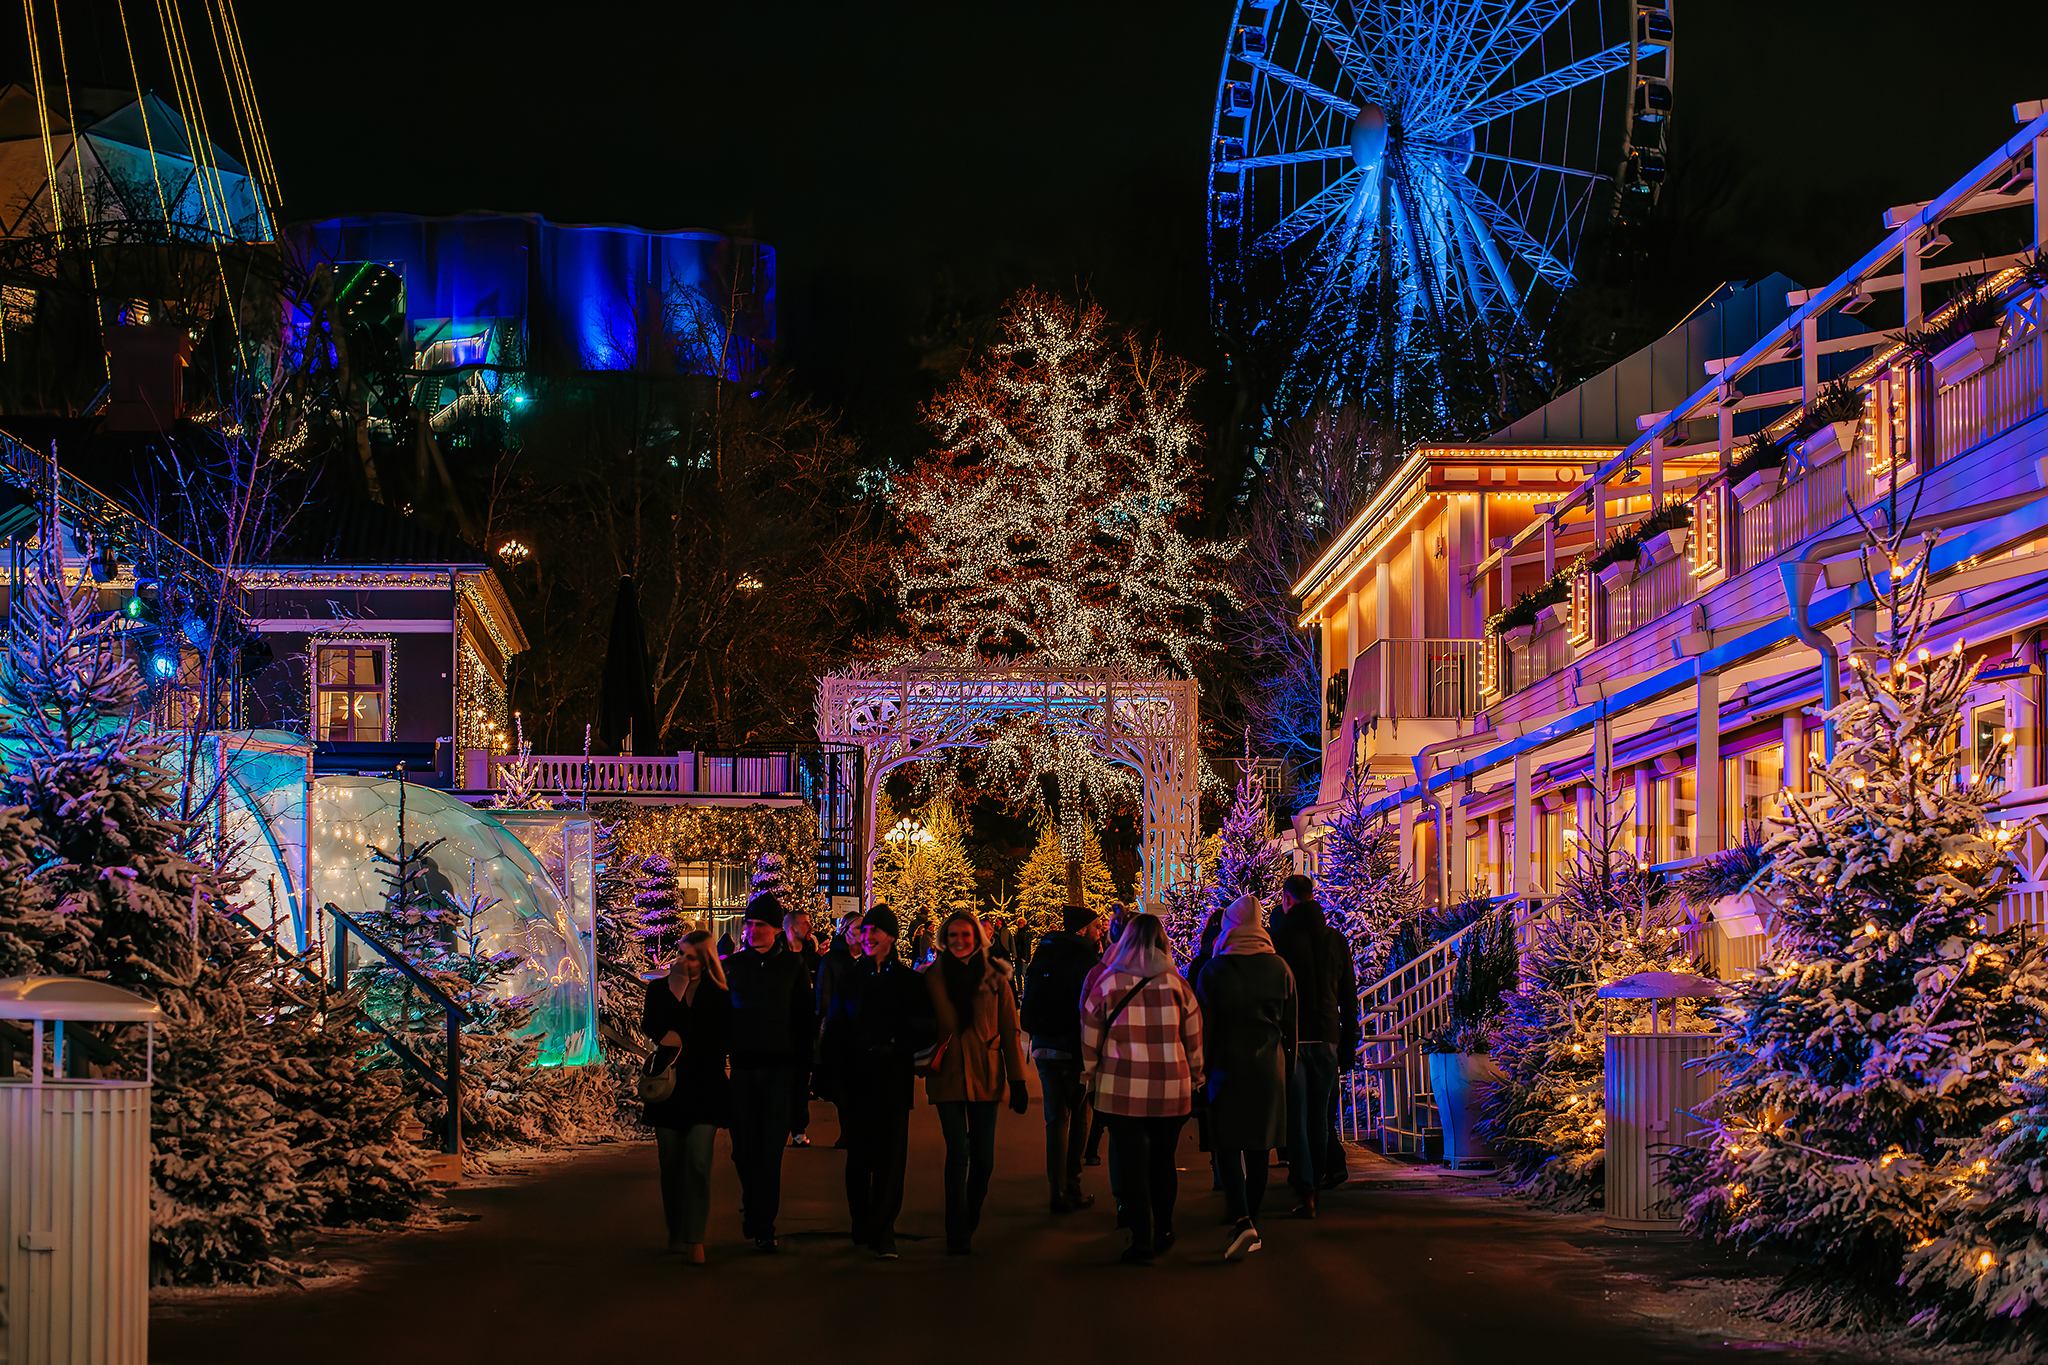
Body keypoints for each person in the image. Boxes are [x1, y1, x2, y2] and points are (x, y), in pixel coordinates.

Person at [1081, 912, 1203, 1266]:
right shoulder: (1178, 985)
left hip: (1122, 1088)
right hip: (1171, 1087)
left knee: (1133, 1164)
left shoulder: (1108, 983)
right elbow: (1193, 1038)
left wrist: (1089, 1074)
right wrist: (1196, 1075)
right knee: (1163, 1160)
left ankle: (1142, 1237)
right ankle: (1164, 1226)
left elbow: (1090, 1035)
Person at [818, 905, 934, 1258]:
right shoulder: (850, 979)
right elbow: (835, 1029)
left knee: (890, 1159)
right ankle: (861, 1221)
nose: (867, 937)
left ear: (891, 938)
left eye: (875, 932)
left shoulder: (909, 981)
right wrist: (829, 1074)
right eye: (864, 931)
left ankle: (883, 1229)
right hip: (857, 1081)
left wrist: (899, 1045)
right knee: (859, 1158)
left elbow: (927, 1026)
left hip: (893, 1079)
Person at [1196, 895, 1297, 1261]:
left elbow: (1203, 1028)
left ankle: (1242, 1219)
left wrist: (1200, 1070)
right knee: (1259, 1148)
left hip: (1225, 1067)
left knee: (1227, 1144)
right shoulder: (1280, 969)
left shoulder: (1213, 971)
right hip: (1269, 1068)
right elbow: (1291, 1028)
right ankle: (1251, 1218)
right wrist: (1290, 1068)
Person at [923, 910, 1029, 1254]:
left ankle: (971, 1212)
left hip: (987, 1071)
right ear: (943, 938)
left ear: (977, 938)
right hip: (948, 1074)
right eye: (952, 935)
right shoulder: (932, 976)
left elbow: (1010, 1029)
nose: (959, 941)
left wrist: (1018, 1080)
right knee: (957, 1153)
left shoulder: (996, 975)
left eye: (965, 935)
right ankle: (956, 1230)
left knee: (983, 1159)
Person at [722, 894, 816, 1252]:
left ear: (777, 930)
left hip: (780, 1071)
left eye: (760, 924)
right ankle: (753, 1199)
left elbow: (805, 1022)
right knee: (743, 1150)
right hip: (744, 1070)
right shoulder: (734, 966)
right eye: (749, 923)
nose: (752, 930)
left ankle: (764, 1224)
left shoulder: (792, 967)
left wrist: (802, 1076)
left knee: (770, 1152)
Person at [642, 930, 732, 1263]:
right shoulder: (661, 989)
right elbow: (652, 1027)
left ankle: (695, 1238)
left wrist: (684, 1035)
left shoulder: (720, 993)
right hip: (669, 1089)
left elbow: (721, 1035)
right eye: (681, 954)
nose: (683, 961)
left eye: (691, 956)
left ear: (705, 959)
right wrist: (674, 994)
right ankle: (677, 1228)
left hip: (705, 1088)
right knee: (671, 1165)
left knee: (697, 1161)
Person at [1271, 873, 1358, 1217]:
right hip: (1326, 1038)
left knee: (1297, 1115)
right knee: (1321, 1116)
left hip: (1291, 1038)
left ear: (1288, 900)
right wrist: (1348, 1043)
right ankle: (1317, 1181)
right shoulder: (1335, 941)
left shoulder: (1279, 939)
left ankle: (1305, 1185)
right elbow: (1348, 998)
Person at [1020, 903, 1106, 1213]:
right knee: (1079, 1114)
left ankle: (1054, 1190)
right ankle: (1072, 1185)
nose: (1101, 931)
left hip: (1043, 1044)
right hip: (1074, 1047)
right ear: (1083, 929)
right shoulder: (1087, 959)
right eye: (1097, 926)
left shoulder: (1044, 952)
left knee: (1054, 1118)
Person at [814, 909, 868, 1149]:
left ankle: (853, 1131)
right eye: (858, 928)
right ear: (846, 932)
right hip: (838, 1030)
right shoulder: (833, 959)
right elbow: (823, 997)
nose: (863, 933)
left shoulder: (868, 958)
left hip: (863, 1031)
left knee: (858, 1084)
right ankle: (849, 1129)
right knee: (839, 1084)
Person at [783, 907, 822, 1148]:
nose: (811, 927)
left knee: (799, 1083)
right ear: (792, 928)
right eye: (806, 923)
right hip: (782, 1030)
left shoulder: (813, 958)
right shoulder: (780, 960)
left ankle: (798, 1127)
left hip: (804, 1031)